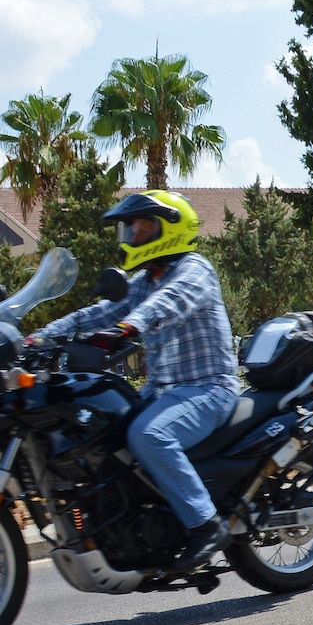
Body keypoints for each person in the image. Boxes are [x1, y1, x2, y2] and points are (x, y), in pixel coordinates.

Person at [34, 190, 239, 573]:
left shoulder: (194, 270)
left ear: (170, 229)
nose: (133, 234)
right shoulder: (147, 279)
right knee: (104, 430)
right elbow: (100, 312)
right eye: (131, 227)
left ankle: (206, 524)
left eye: (143, 226)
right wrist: (40, 337)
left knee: (149, 435)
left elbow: (168, 302)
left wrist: (128, 327)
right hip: (163, 391)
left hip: (209, 388)